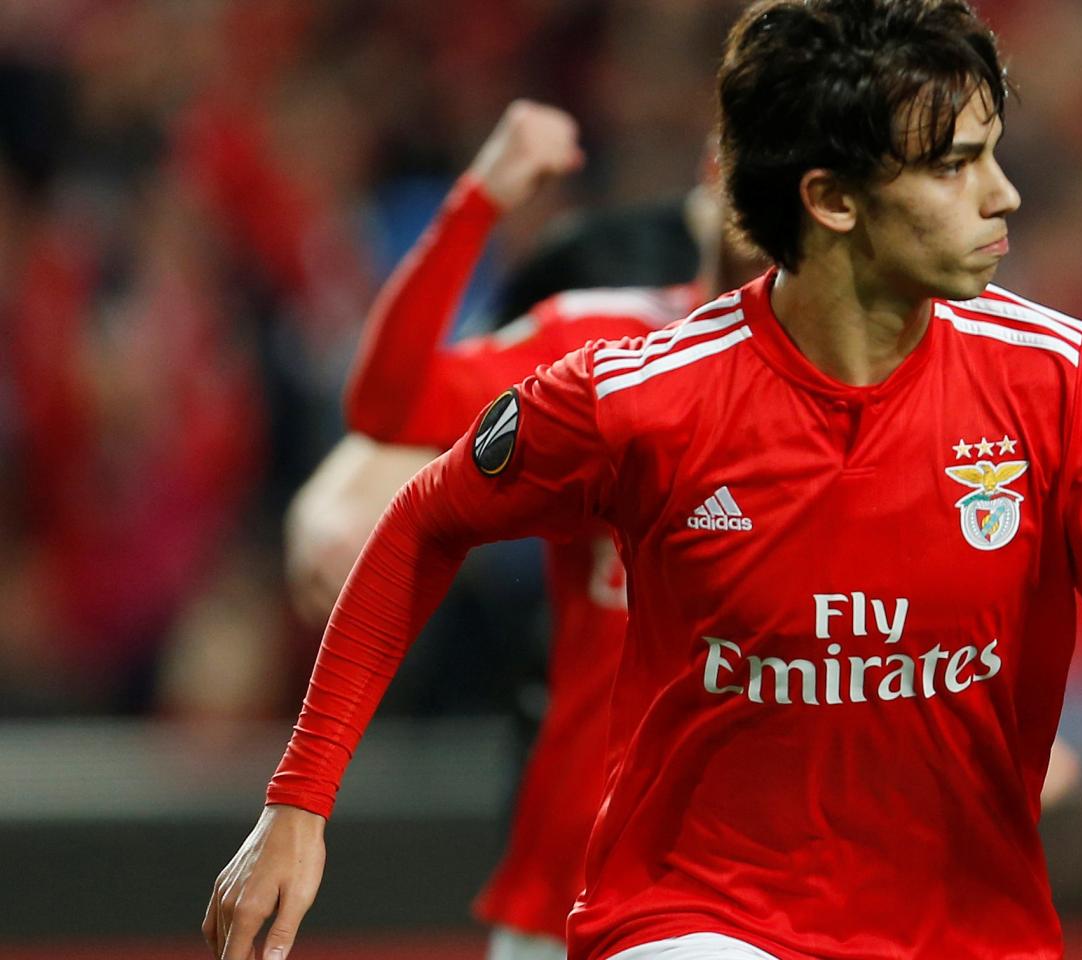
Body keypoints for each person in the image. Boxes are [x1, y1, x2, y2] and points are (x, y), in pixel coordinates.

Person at [206, 3, 1082, 958]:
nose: (1004, 197)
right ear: (827, 199)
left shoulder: (1059, 379)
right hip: (691, 916)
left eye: (996, 156)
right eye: (957, 165)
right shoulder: (639, 392)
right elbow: (425, 520)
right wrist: (297, 806)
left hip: (964, 929)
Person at [283, 100, 761, 960]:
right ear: (717, 175)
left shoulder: (920, 376)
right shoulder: (607, 336)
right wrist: (480, 199)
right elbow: (394, 405)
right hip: (580, 866)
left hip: (782, 877)